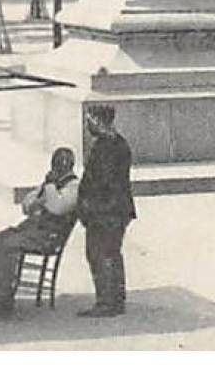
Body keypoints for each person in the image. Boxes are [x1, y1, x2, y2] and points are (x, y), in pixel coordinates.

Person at [0, 147, 80, 315]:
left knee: (7, 247)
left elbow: (56, 208)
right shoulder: (48, 185)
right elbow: (26, 206)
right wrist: (39, 197)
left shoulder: (73, 187)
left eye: (62, 165)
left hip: (47, 236)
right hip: (29, 229)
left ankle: (3, 301)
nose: (58, 169)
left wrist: (50, 187)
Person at [76, 104, 135, 317]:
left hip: (105, 212)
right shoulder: (117, 143)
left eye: (90, 121)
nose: (87, 125)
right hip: (113, 210)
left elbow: (103, 182)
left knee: (100, 253)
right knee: (110, 253)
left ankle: (107, 302)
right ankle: (115, 299)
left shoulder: (106, 147)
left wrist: (89, 205)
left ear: (99, 121)